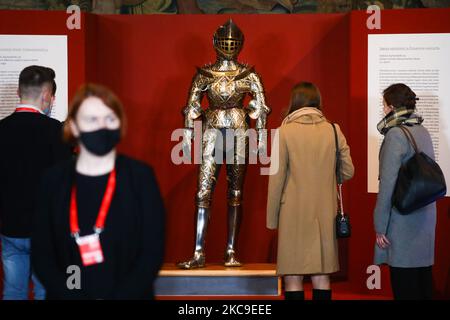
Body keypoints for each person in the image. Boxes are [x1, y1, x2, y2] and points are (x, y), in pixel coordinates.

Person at [31, 83, 165, 300]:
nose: (102, 126)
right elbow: (43, 255)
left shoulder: (140, 177)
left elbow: (152, 252)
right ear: (74, 127)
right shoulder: (54, 181)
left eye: (110, 119)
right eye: (92, 120)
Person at [177, 19, 270, 269]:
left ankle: (231, 250)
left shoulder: (249, 75)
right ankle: (198, 252)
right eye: (225, 41)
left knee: (236, 192)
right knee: (203, 191)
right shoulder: (204, 75)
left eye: (233, 42)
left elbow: (261, 108)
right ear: (216, 44)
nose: (229, 45)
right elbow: (191, 106)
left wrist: (261, 137)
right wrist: (187, 134)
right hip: (211, 130)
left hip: (239, 130)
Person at [266, 82, 354, 300]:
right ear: (317, 101)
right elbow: (348, 171)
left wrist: (272, 220)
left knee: (292, 276)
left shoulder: (284, 132)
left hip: (292, 214)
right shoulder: (333, 130)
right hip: (324, 212)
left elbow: (275, 180)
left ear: (293, 102)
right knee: (321, 275)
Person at [0, 65, 71, 300]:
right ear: (46, 96)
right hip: (46, 231)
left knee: (13, 290)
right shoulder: (58, 132)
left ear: (20, 93)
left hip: (10, 228)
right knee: (45, 291)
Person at [373, 83, 436, 300]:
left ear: (391, 107)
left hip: (403, 222)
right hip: (426, 219)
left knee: (404, 288)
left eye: (384, 106)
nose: (383, 110)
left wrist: (380, 226)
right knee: (423, 285)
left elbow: (387, 184)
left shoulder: (395, 135)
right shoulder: (423, 130)